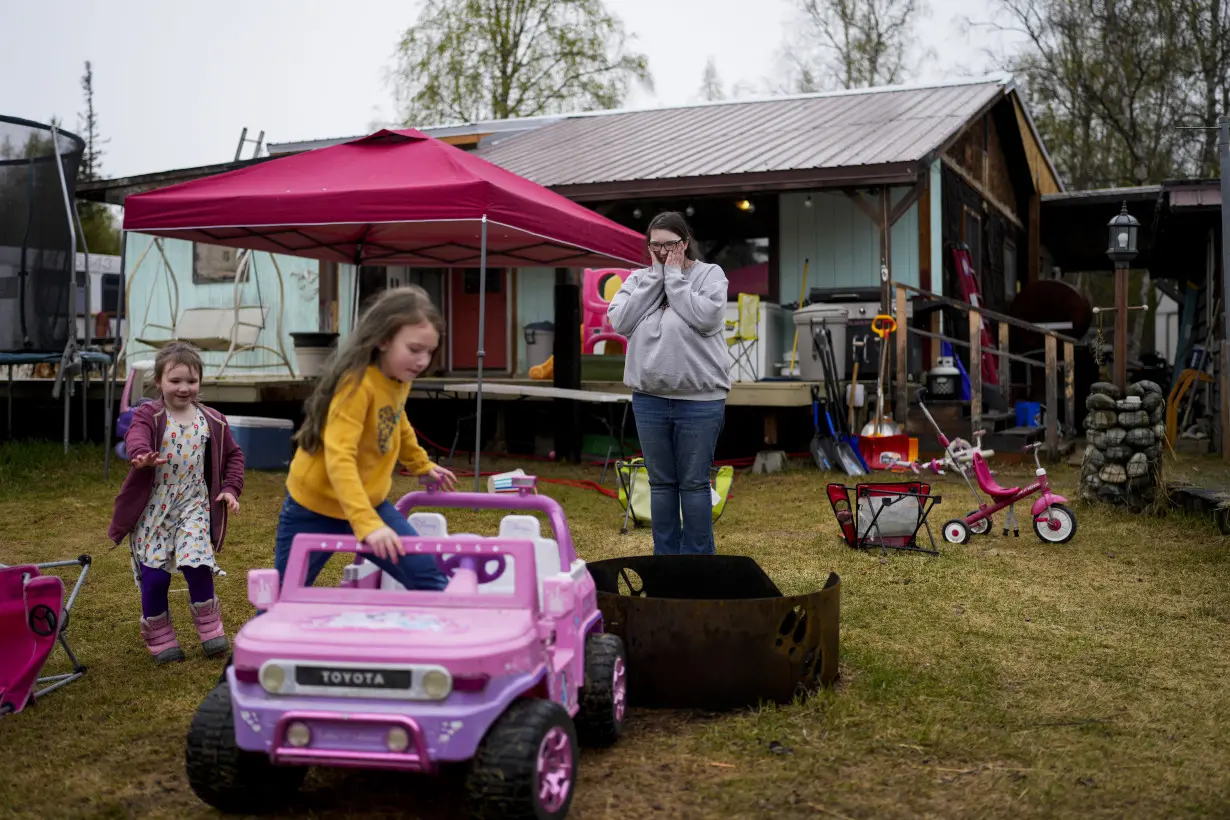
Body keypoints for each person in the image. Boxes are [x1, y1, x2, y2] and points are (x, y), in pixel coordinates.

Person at [274, 285, 456, 591]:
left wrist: (421, 463)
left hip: (368, 502)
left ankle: (435, 638)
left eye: (429, 352)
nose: (423, 361)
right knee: (281, 596)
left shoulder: (398, 378)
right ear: (383, 339)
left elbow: (397, 420)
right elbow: (339, 458)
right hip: (314, 506)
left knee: (431, 580)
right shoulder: (357, 385)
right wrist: (367, 524)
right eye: (414, 349)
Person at [109, 342, 245, 665]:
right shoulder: (149, 414)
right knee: (155, 576)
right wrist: (140, 456)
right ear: (158, 382)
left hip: (193, 504)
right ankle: (158, 631)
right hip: (154, 508)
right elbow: (135, 435)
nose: (184, 388)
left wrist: (230, 489)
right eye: (175, 381)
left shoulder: (212, 420)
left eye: (191, 380)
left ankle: (209, 625)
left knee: (197, 563)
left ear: (200, 381)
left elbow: (235, 457)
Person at [608, 211, 730, 555]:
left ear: (685, 243)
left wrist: (674, 278)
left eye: (670, 245)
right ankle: (665, 562)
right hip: (649, 398)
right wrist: (655, 278)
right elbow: (620, 319)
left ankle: (698, 565)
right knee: (661, 484)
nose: (662, 252)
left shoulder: (709, 275)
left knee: (693, 484)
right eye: (656, 246)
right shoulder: (637, 279)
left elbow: (706, 318)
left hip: (700, 399)